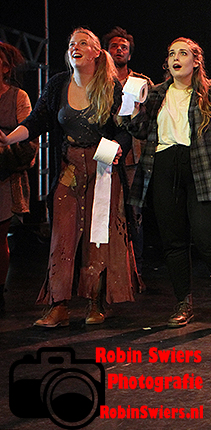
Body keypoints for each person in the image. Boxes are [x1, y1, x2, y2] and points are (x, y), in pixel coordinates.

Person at [0, 28, 139, 326]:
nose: (75, 47)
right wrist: (10, 138)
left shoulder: (111, 87)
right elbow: (36, 121)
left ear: (96, 52)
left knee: (97, 236)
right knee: (62, 235)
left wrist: (118, 147)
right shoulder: (58, 85)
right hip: (70, 168)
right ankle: (58, 305)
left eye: (83, 43)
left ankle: (95, 303)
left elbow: (125, 130)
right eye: (72, 44)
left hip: (102, 168)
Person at [125, 38, 211, 327]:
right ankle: (183, 302)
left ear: (196, 61)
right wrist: (133, 107)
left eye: (182, 53)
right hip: (164, 168)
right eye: (171, 53)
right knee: (173, 242)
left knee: (208, 239)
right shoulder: (156, 94)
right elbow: (139, 129)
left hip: (203, 170)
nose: (175, 58)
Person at [102, 27, 152, 285]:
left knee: (133, 214)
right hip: (103, 153)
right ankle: (105, 269)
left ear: (130, 54)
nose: (119, 50)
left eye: (124, 47)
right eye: (114, 46)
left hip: (134, 157)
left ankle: (136, 270)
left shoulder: (141, 82)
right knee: (104, 210)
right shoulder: (98, 80)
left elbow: (153, 116)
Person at [0, 43, 36, 309]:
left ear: (5, 67)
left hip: (5, 175)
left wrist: (5, 142)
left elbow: (29, 141)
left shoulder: (17, 97)